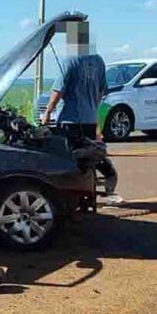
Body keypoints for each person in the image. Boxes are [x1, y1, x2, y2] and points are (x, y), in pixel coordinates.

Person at [41, 22, 123, 204]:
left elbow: (58, 90)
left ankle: (73, 196)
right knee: (91, 157)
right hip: (89, 119)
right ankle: (96, 190)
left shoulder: (70, 60)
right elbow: (101, 91)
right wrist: (92, 108)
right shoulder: (99, 61)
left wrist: (47, 113)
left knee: (70, 159)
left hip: (69, 120)